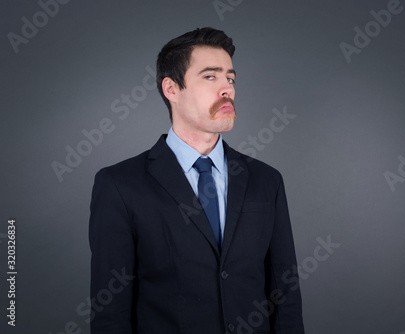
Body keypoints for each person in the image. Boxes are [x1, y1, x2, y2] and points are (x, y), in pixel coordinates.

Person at [89, 27, 304, 334]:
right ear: (171, 89)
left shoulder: (266, 180)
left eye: (230, 78)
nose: (226, 88)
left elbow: (286, 295)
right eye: (210, 76)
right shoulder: (120, 185)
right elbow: (111, 312)